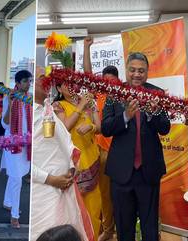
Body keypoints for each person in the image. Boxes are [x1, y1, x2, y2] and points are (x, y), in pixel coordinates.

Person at [101, 52, 171, 241]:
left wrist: (153, 113)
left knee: (150, 229)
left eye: (141, 71)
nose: (137, 74)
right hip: (121, 172)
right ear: (126, 71)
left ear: (147, 72)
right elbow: (106, 128)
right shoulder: (115, 93)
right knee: (124, 228)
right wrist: (125, 117)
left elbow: (165, 129)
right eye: (132, 70)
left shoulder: (157, 94)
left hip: (148, 172)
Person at [31, 67, 95, 241]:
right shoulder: (29, 113)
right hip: (45, 193)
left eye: (48, 79)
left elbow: (65, 140)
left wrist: (71, 168)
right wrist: (51, 179)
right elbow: (24, 163)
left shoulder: (47, 109)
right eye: (42, 78)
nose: (47, 82)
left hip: (66, 186)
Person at [52, 80, 102, 235]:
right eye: (67, 84)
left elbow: (99, 128)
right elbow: (65, 127)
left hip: (92, 158)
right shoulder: (58, 106)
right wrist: (81, 107)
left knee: (94, 206)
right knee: (76, 209)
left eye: (74, 83)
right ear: (59, 88)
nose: (72, 86)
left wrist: (91, 126)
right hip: (74, 164)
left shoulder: (86, 101)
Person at [83, 36, 117, 241]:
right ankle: (108, 230)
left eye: (112, 82)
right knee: (103, 193)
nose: (109, 86)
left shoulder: (122, 96)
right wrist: (87, 47)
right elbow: (88, 74)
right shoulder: (99, 95)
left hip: (121, 151)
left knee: (117, 194)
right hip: (101, 152)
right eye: (105, 82)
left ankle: (113, 228)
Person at [1, 70, 32, 229]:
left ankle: (8, 201)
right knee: (17, 178)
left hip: (25, 142)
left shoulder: (29, 98)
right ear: (18, 83)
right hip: (12, 142)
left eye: (30, 81)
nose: (29, 84)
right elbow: (4, 124)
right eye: (26, 81)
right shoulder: (9, 97)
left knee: (15, 176)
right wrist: (11, 105)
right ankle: (14, 215)